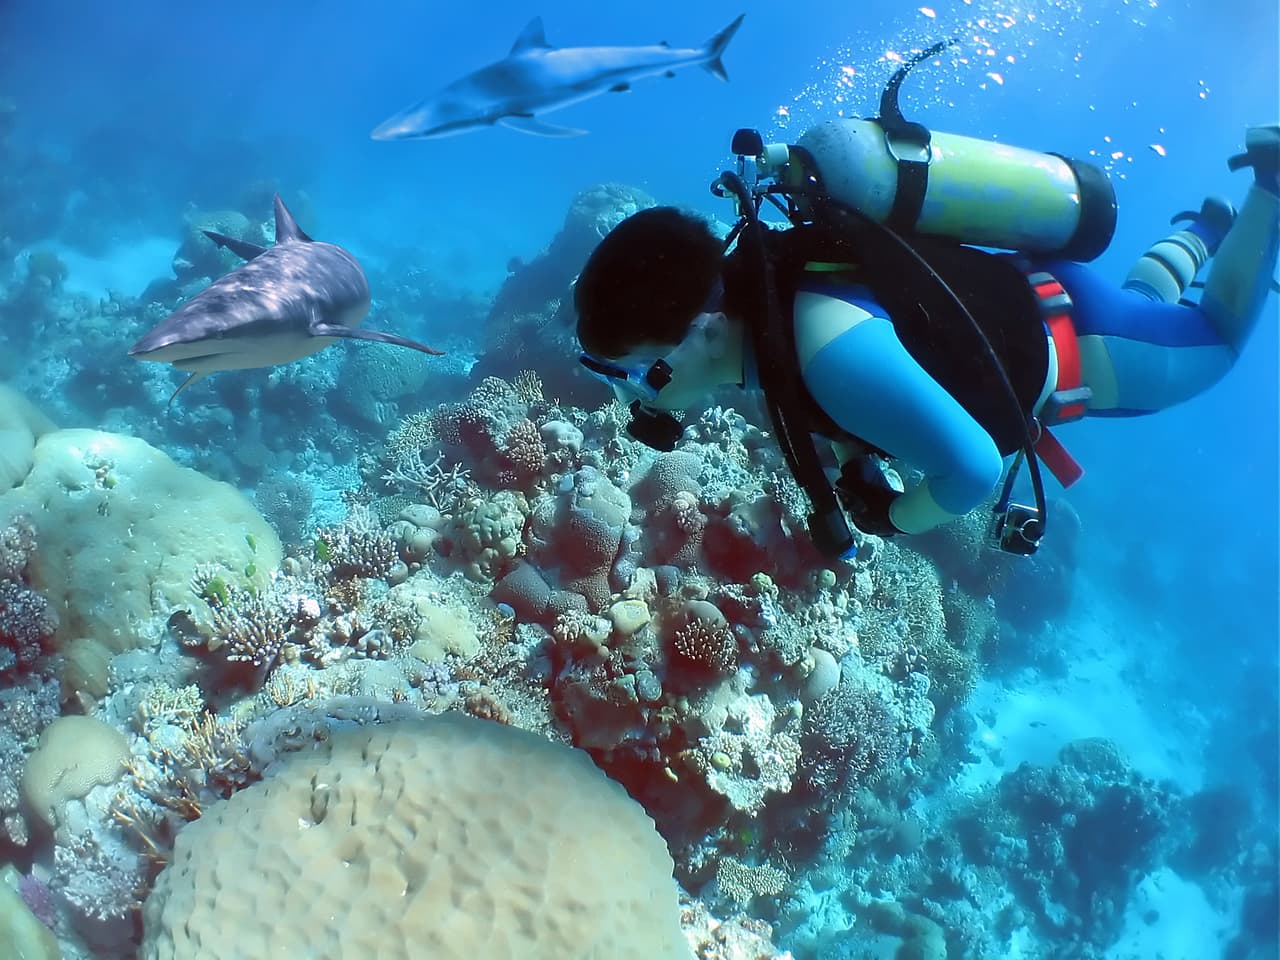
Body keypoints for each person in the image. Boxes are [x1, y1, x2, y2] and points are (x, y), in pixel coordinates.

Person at [572, 121, 1279, 558]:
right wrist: (856, 459)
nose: (640, 397)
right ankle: (1203, 228)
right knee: (1146, 302)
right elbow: (860, 381)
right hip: (1051, 297)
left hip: (1087, 351)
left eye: (638, 372)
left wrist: (897, 517)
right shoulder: (771, 298)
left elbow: (969, 471)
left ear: (698, 328)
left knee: (1212, 339)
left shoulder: (825, 351)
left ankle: (1271, 184)